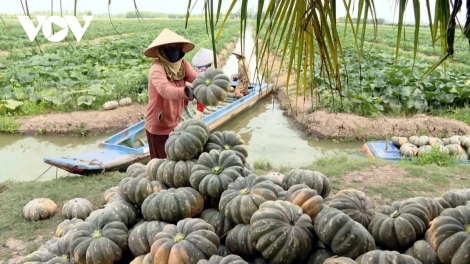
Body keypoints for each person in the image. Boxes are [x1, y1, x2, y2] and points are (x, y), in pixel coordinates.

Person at [143, 28, 198, 159]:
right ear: (161, 50)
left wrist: (207, 84)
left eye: (176, 46)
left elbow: (195, 78)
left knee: (173, 161)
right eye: (169, 47)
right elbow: (165, 90)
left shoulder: (183, 64)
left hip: (175, 122)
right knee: (161, 165)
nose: (173, 50)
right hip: (158, 125)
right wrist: (187, 92)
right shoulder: (157, 68)